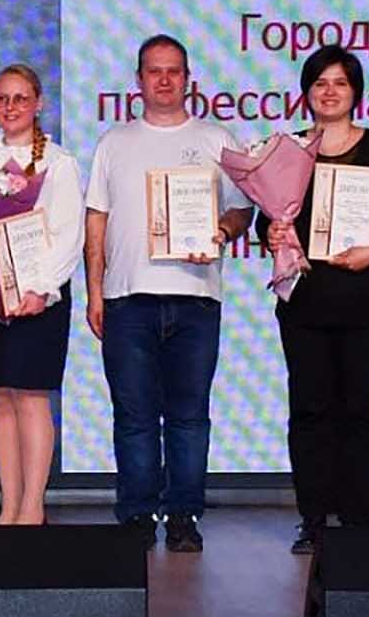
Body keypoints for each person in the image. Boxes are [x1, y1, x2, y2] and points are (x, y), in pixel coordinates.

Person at [84, 34, 253, 552]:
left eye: (173, 71)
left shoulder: (216, 139)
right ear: (138, 80)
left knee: (189, 417)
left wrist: (221, 230)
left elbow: (243, 208)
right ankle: (137, 514)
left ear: (188, 79)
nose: (164, 80)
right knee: (134, 418)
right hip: (127, 298)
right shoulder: (114, 142)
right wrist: (94, 292)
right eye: (154, 71)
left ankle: (183, 515)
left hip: (196, 298)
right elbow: (97, 221)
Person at [256, 45, 369, 553]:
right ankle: (313, 518)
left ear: (356, 92)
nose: (330, 92)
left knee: (360, 412)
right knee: (309, 412)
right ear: (306, 92)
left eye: (340, 83)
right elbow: (267, 218)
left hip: (365, 302)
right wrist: (271, 233)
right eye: (320, 82)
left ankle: (357, 522)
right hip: (306, 301)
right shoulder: (288, 151)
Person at [0, 63, 83, 525]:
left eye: (21, 98)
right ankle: (9, 505)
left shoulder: (58, 163)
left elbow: (68, 234)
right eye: (3, 99)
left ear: (38, 103)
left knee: (30, 396)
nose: (11, 107)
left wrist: (42, 289)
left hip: (37, 293)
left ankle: (33, 507)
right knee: (1, 397)